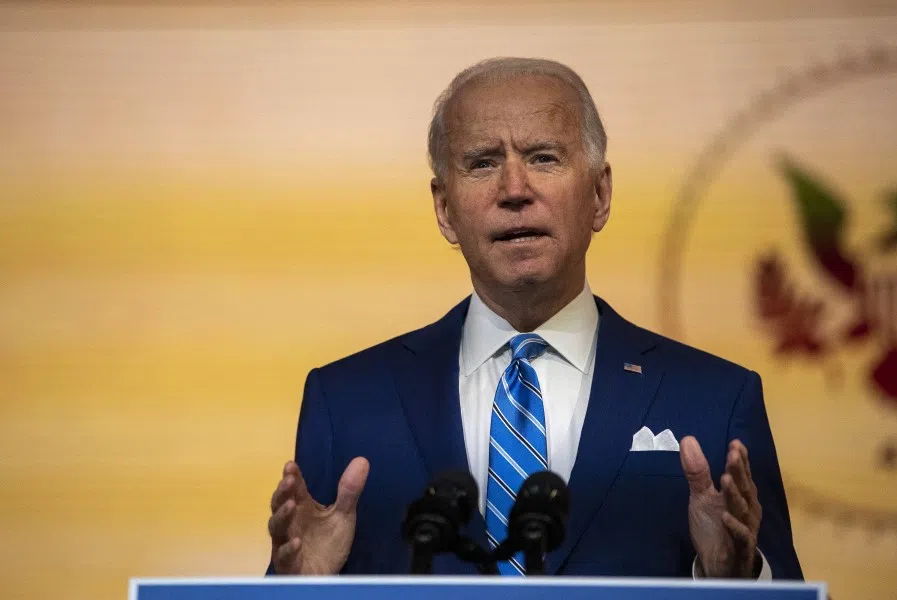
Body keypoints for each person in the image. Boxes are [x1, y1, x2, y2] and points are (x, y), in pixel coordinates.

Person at [265, 57, 803, 579]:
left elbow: (784, 588)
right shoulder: (347, 403)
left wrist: (737, 580)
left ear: (599, 194)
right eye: (482, 162)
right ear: (445, 209)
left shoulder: (715, 399)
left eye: (544, 157)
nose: (515, 190)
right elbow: (296, 569)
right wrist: (295, 592)